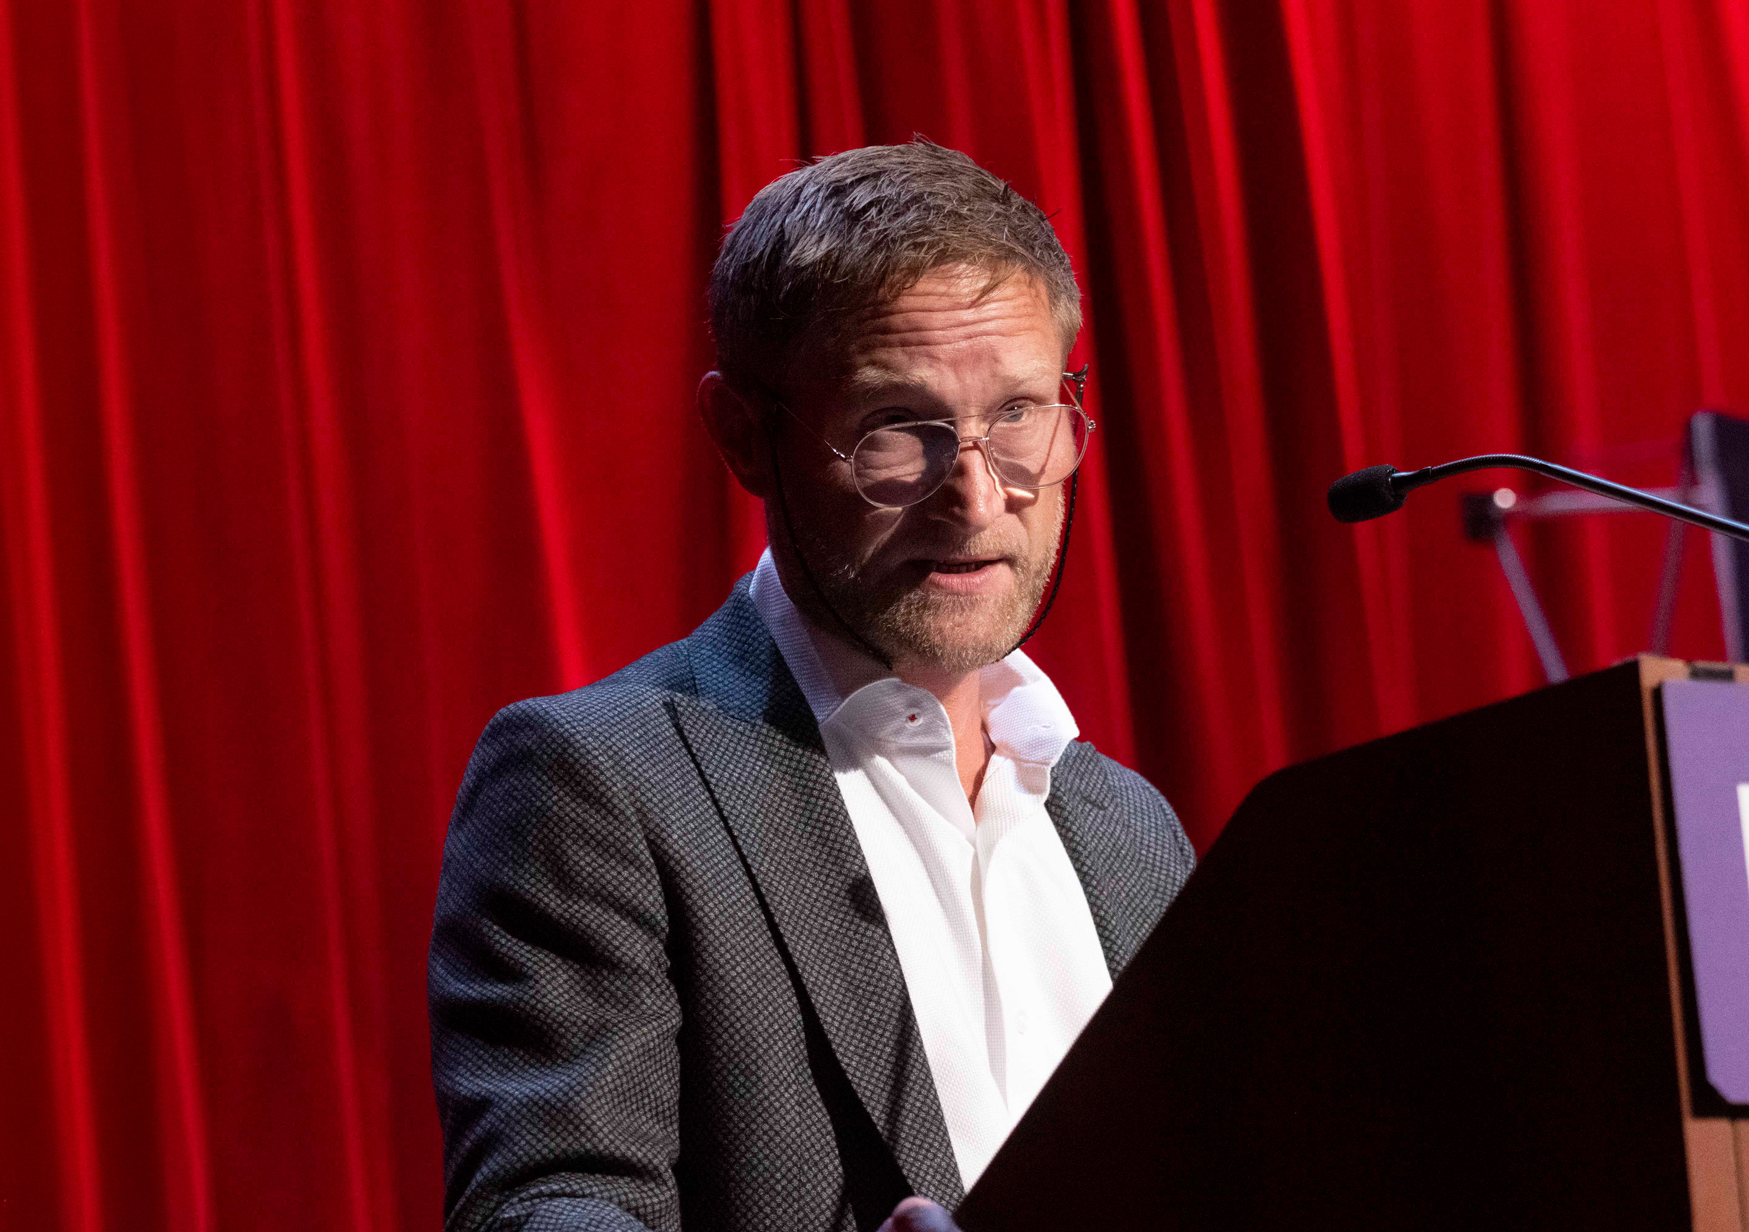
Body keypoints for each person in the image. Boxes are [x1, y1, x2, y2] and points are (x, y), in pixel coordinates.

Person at [429, 139, 1193, 1232]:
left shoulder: (1130, 830)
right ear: (745, 437)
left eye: (1020, 413)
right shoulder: (598, 785)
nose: (978, 498)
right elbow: (553, 1205)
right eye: (896, 429)